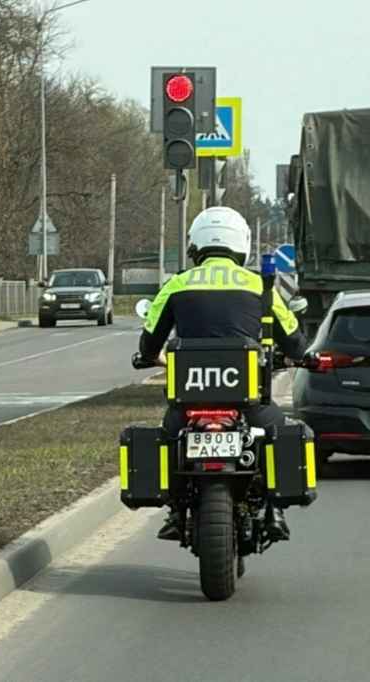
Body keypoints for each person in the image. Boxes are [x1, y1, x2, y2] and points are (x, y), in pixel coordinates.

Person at [137, 206, 307, 541]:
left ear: (194, 245)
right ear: (241, 244)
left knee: (169, 437)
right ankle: (275, 509)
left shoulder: (176, 284)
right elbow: (295, 342)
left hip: (189, 404)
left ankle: (174, 509)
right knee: (280, 431)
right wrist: (299, 356)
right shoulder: (261, 285)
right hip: (247, 405)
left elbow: (149, 341)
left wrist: (147, 357)